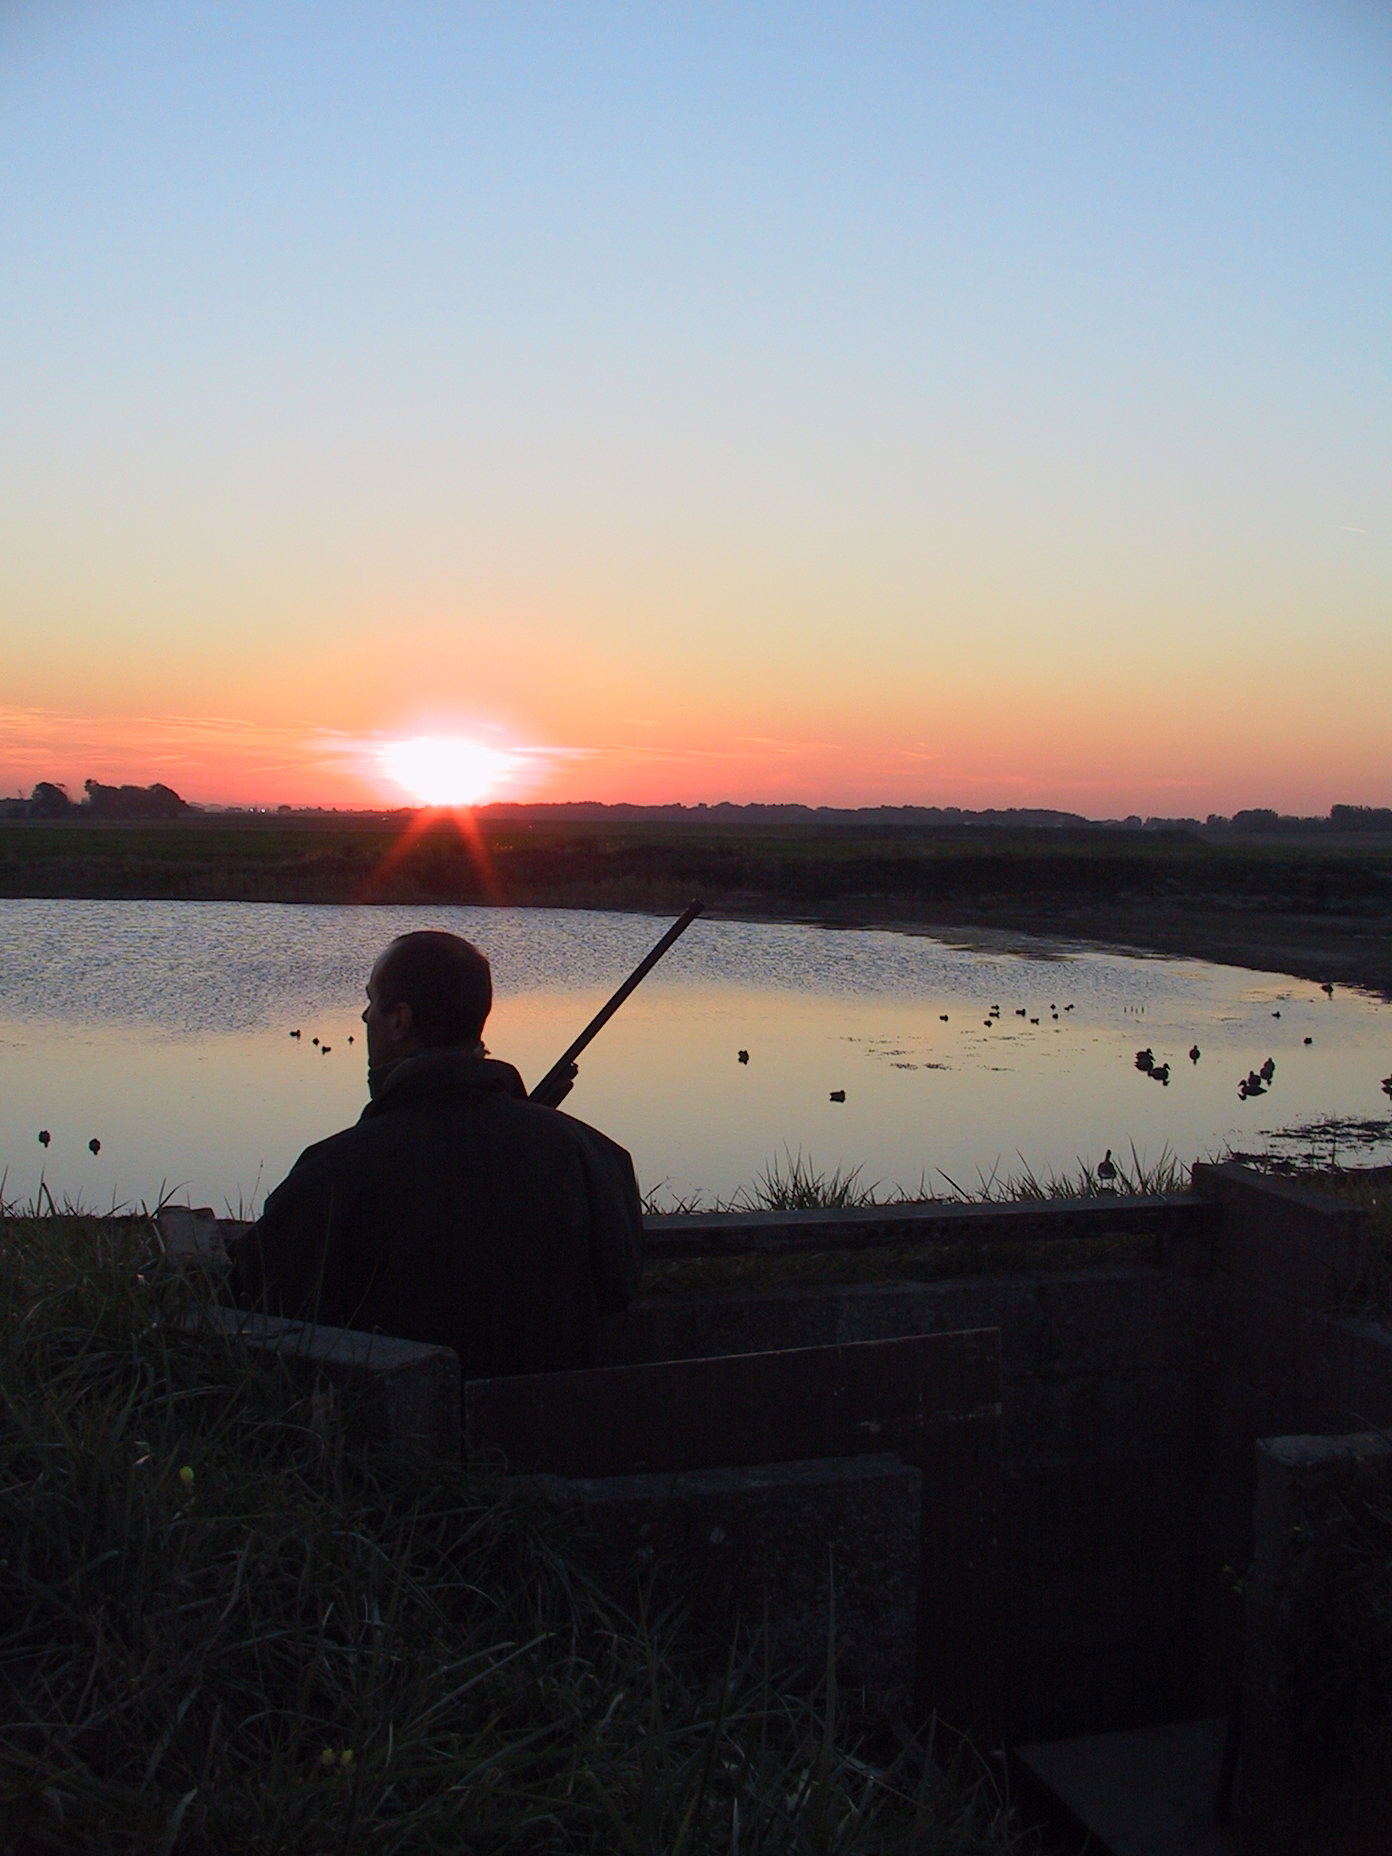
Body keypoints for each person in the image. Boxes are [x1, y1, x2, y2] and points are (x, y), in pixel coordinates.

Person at [228, 930, 644, 1381]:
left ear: (399, 1021)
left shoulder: (335, 1170)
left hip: (399, 1443)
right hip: (561, 1437)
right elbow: (620, 1291)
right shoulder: (595, 1156)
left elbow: (253, 1298)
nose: (364, 1016)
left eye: (371, 1003)